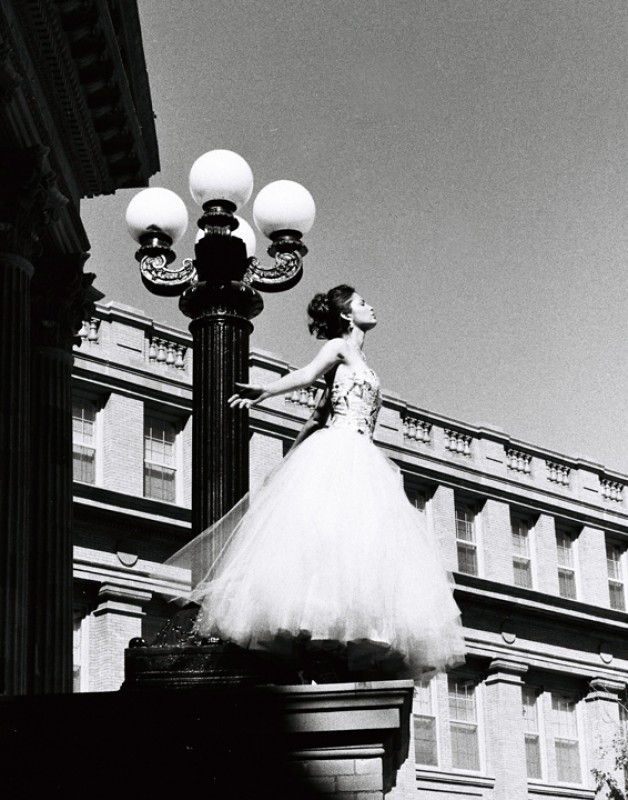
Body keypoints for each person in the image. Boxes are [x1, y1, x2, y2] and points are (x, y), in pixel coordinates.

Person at [189, 284, 466, 681]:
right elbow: (305, 375)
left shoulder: (363, 362)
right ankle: (319, 640)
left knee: (359, 547)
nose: (371, 305)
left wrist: (291, 455)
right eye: (362, 302)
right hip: (340, 452)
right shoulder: (338, 347)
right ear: (347, 315)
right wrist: (265, 390)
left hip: (361, 454)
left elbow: (319, 411)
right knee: (327, 544)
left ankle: (341, 645)